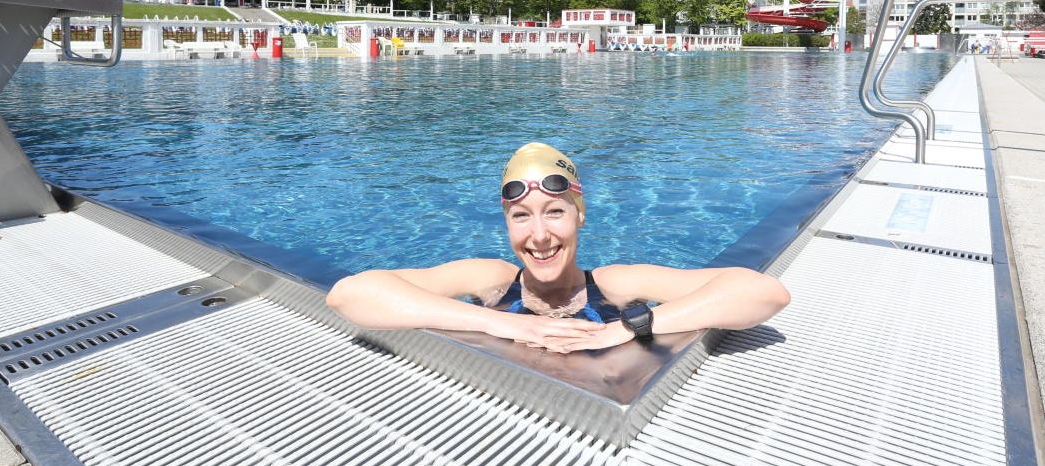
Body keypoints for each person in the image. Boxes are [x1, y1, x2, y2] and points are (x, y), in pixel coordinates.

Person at [326, 142, 790, 353]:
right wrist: (504, 326)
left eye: (555, 212)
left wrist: (630, 329)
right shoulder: (489, 280)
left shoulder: (614, 285)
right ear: (506, 223)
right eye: (521, 216)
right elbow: (350, 293)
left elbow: (763, 293)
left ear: (579, 216)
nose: (539, 235)